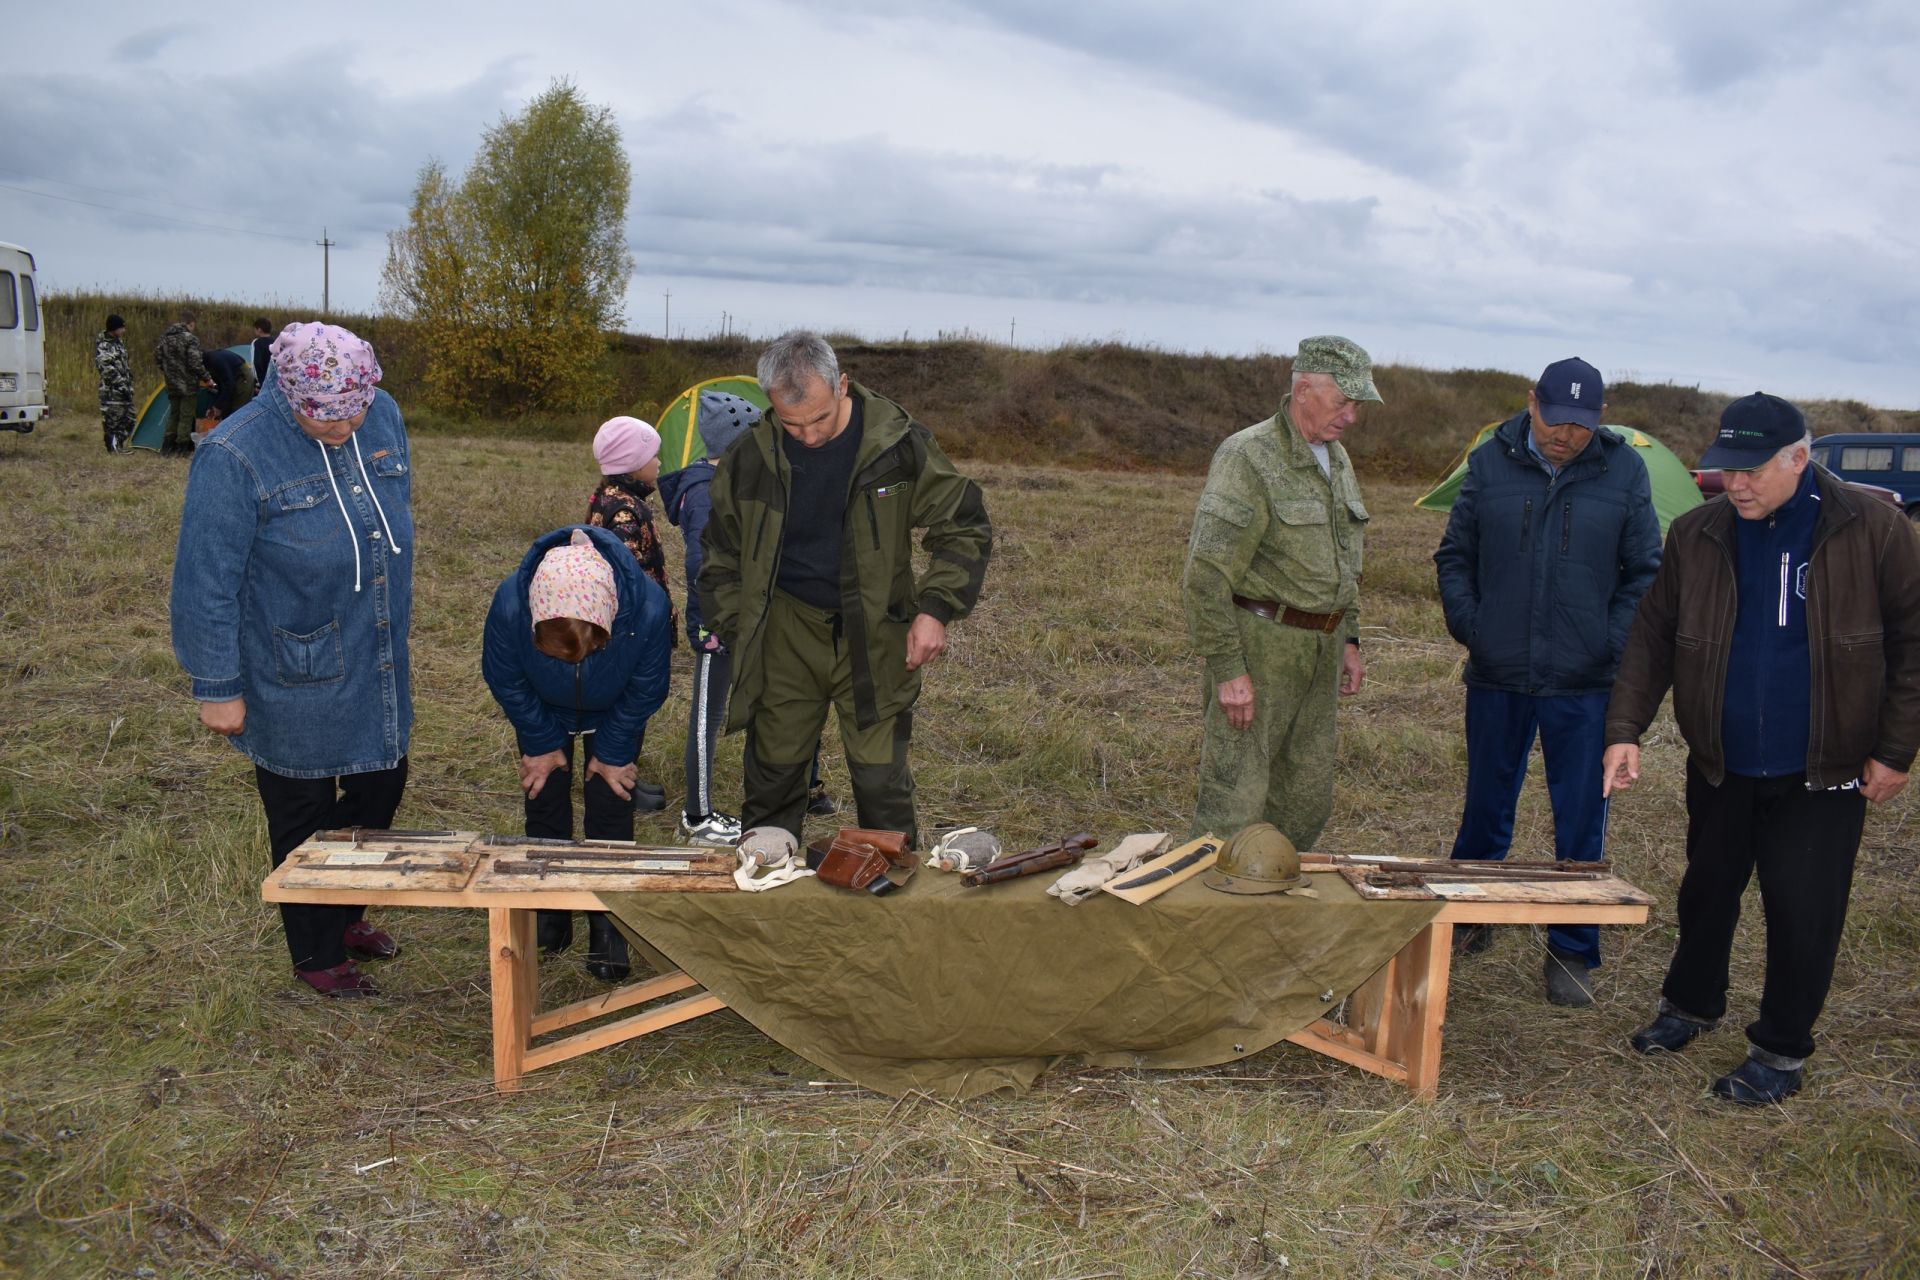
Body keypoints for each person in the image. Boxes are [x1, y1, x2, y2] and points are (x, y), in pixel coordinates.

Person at [1604, 393, 1920, 1104]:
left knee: (1802, 910)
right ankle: (1690, 1005)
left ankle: (1779, 1050)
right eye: (1725, 469)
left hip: (1824, 769)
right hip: (1721, 761)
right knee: (1707, 893)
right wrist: (1624, 730)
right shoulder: (1698, 532)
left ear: (1799, 458)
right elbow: (1653, 638)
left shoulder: (1874, 528)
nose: (1734, 484)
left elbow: (1911, 643)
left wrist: (1896, 750)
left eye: (1750, 471)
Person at [170, 322, 411, 996]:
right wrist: (216, 684)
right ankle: (316, 952)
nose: (347, 425)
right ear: (289, 395)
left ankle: (345, 909)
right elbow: (205, 579)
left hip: (375, 645)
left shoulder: (381, 414)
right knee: (303, 808)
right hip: (291, 660)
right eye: (325, 416)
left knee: (380, 782)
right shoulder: (235, 455)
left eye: (356, 409)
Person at [699, 330, 992, 847]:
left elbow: (963, 524)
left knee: (881, 782)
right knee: (772, 780)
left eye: (819, 419)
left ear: (843, 387)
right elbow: (719, 554)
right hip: (784, 633)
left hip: (876, 633)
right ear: (769, 404)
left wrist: (936, 610)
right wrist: (740, 628)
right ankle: (771, 903)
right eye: (791, 424)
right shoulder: (750, 460)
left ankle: (889, 905)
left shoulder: (897, 445)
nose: (808, 437)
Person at [1432, 358, 1662, 1006]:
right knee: (1485, 811)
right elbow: (1455, 554)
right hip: (1498, 676)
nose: (1566, 436)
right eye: (1556, 421)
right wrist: (1476, 626)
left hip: (1585, 684)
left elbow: (1646, 570)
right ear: (1532, 403)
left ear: (1602, 420)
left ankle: (1571, 951)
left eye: (1581, 427)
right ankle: (1469, 920)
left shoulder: (1624, 470)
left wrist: (1608, 643)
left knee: (1583, 821)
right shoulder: (1490, 461)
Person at [1182, 335, 1379, 850]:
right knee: (1235, 800)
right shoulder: (1248, 456)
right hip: (1261, 648)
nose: (1351, 417)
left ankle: (1277, 906)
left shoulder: (1337, 460)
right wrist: (1228, 669)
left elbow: (1344, 557)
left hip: (1321, 651)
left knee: (1305, 797)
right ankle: (1212, 913)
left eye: (1357, 405)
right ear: (1304, 389)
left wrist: (1350, 639)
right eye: (1343, 402)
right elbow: (1206, 574)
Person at [482, 526, 672, 980]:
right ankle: (551, 913)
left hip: (616, 708)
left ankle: (608, 925)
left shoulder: (647, 607)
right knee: (544, 799)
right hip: (543, 707)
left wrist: (611, 751)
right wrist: (542, 742)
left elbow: (648, 687)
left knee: (610, 803)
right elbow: (505, 676)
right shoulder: (512, 603)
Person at [585, 415, 676, 813]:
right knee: (628, 707)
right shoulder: (623, 513)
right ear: (631, 464)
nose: (658, 463)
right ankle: (616, 781)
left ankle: (624, 773)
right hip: (631, 630)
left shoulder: (611, 497)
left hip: (628, 628)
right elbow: (624, 575)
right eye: (652, 456)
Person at [153, 309, 210, 457]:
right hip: (188, 385)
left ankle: (166, 447)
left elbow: (158, 360)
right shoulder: (190, 339)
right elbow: (195, 363)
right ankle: (181, 448)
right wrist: (207, 378)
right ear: (191, 324)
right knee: (186, 416)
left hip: (171, 384)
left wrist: (169, 373)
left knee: (174, 414)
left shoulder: (165, 338)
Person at [93, 313, 133, 453]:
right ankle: (113, 448)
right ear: (114, 328)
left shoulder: (119, 344)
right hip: (111, 391)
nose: (124, 331)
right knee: (113, 421)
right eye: (121, 328)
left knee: (129, 418)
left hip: (124, 388)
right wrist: (120, 383)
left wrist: (128, 384)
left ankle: (119, 444)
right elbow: (106, 368)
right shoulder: (104, 346)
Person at [202, 347, 258, 424]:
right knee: (226, 410)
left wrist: (218, 407)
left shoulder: (215, 360)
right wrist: (212, 406)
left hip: (242, 377)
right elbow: (220, 387)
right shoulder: (208, 364)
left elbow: (229, 384)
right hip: (233, 380)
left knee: (237, 411)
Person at [250, 318, 273, 386]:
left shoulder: (256, 343)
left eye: (255, 329)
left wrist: (254, 379)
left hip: (261, 379)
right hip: (273, 377)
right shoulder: (275, 341)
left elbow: (255, 362)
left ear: (259, 329)